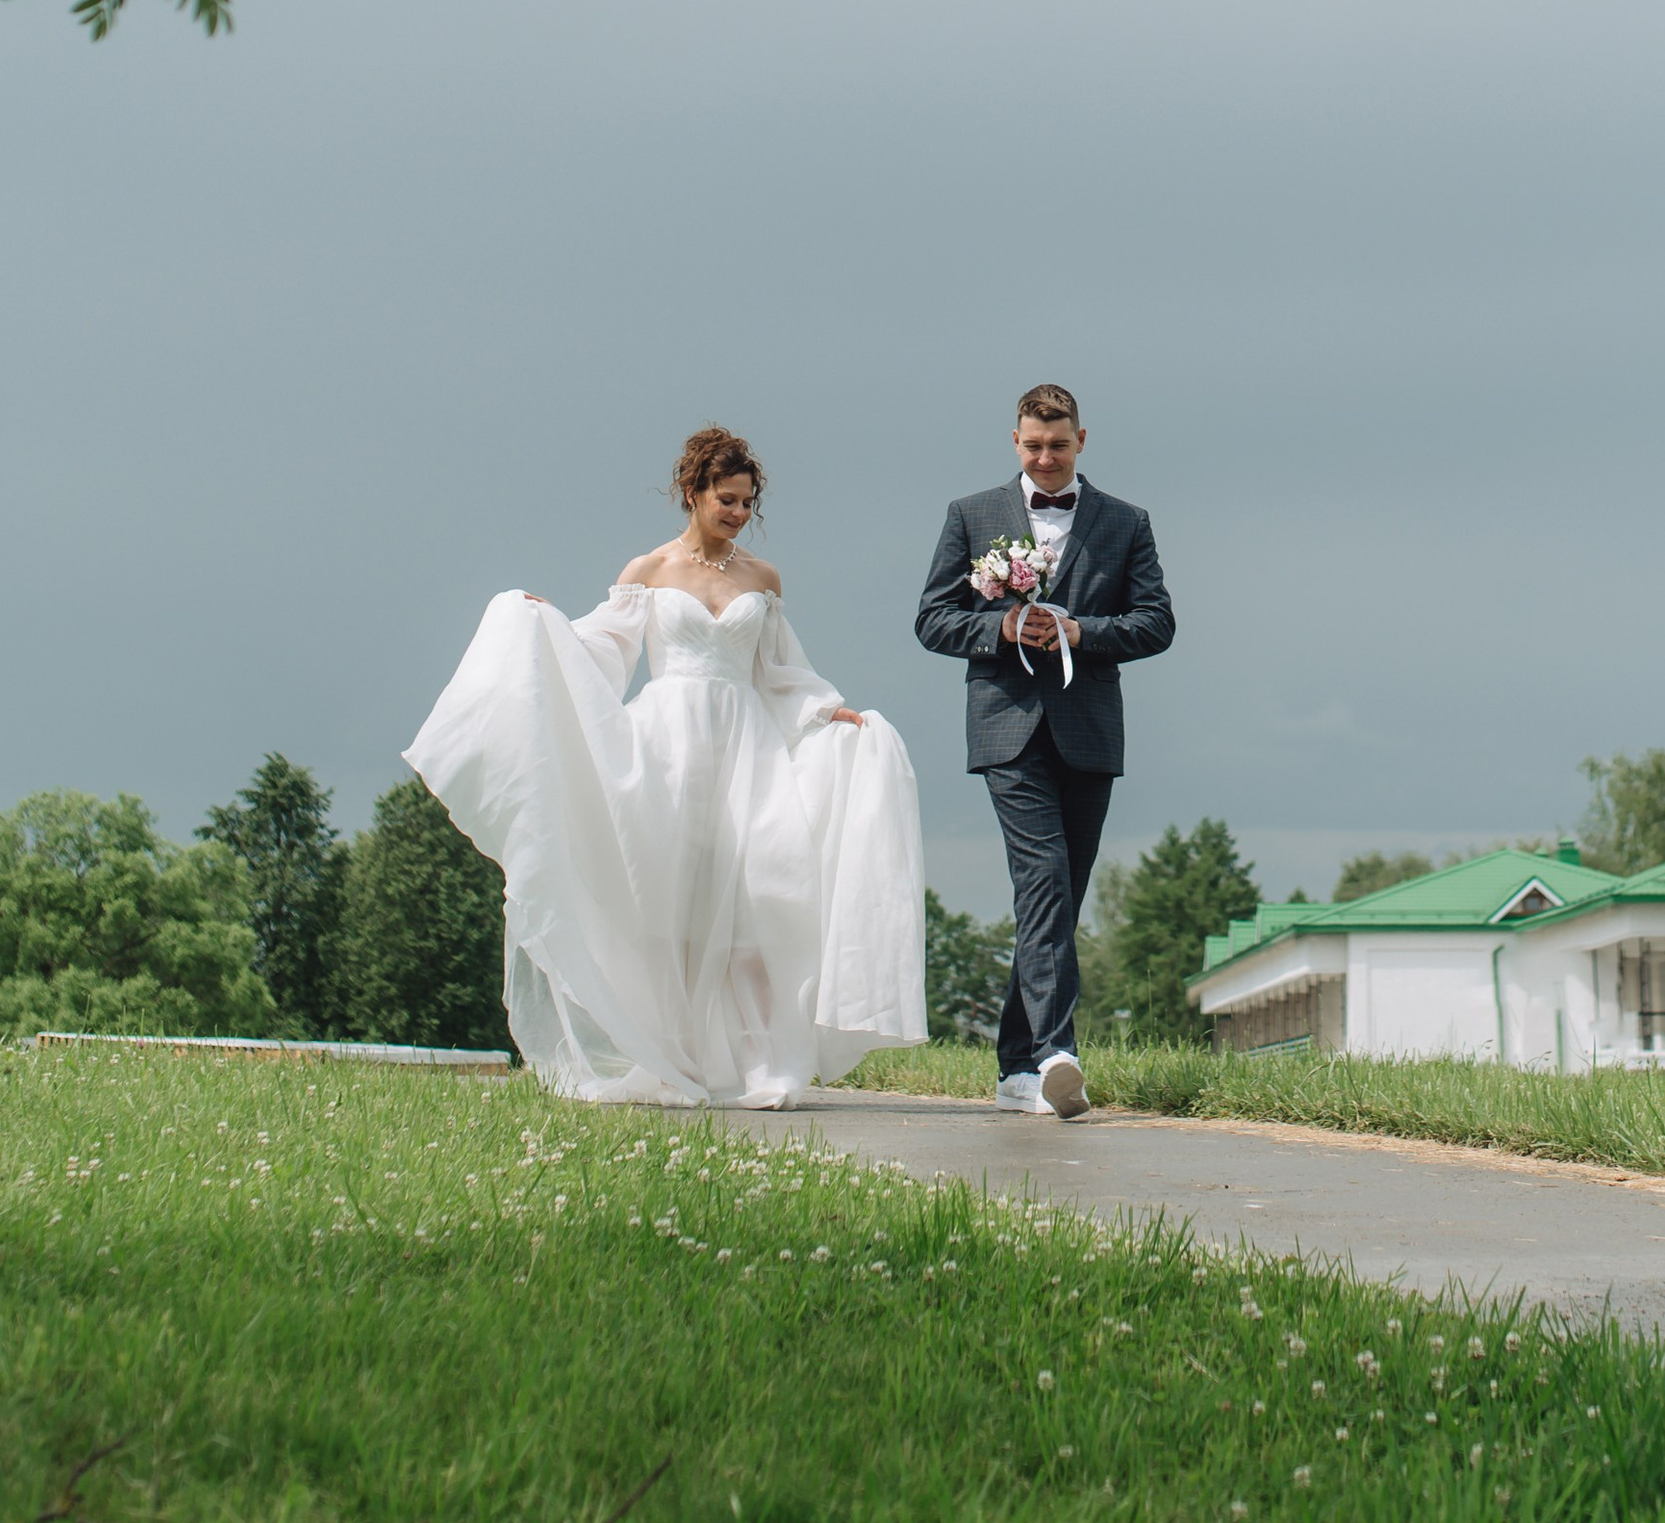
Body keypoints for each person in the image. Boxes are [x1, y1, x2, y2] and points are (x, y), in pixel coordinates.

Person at [408, 424, 926, 1104]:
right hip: (667, 746)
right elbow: (602, 654)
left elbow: (778, 671)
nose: (737, 514)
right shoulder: (648, 572)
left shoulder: (761, 580)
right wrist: (551, 630)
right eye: (726, 500)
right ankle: (667, 1059)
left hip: (747, 750)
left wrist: (829, 712)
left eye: (746, 503)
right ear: (693, 492)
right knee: (668, 908)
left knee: (758, 897)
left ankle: (762, 1064)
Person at [914, 382, 1175, 1117]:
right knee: (1044, 883)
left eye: (1059, 444)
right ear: (1015, 441)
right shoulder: (971, 516)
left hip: (1089, 729)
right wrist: (998, 628)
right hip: (1006, 728)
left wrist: (1082, 632)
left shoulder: (1127, 522)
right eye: (1033, 444)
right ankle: (1058, 1052)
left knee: (1059, 896)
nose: (1046, 456)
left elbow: (1157, 623)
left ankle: (1014, 1070)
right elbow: (933, 619)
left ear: (1082, 440)